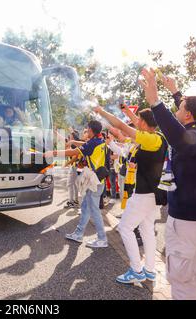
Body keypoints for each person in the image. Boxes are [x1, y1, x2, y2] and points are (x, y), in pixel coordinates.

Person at [141, 69, 196, 300]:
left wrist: (156, 102)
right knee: (191, 275)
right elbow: (188, 117)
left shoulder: (193, 140)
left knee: (180, 280)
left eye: (180, 107)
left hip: (190, 224)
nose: (178, 109)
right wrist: (176, 92)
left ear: (187, 116)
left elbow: (177, 134)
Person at [94, 104, 167, 284]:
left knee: (125, 228)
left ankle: (136, 270)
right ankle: (149, 270)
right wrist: (112, 141)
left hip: (144, 194)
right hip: (150, 193)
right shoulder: (152, 138)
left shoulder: (153, 139)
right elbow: (126, 148)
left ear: (143, 123)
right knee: (147, 230)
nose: (135, 123)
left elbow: (121, 126)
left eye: (138, 120)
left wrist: (102, 112)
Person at [45, 120, 109, 248]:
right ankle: (79, 234)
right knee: (85, 207)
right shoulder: (100, 141)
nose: (86, 130)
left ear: (90, 130)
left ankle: (102, 239)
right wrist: (74, 142)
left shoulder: (93, 143)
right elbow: (85, 144)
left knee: (94, 210)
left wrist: (53, 153)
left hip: (94, 183)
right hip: (97, 181)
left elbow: (74, 152)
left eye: (87, 129)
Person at [64, 129, 81, 209]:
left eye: (70, 136)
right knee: (74, 185)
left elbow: (75, 157)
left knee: (70, 184)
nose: (69, 137)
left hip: (74, 166)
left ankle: (71, 202)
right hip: (76, 166)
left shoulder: (74, 145)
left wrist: (67, 163)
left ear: (73, 137)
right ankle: (75, 200)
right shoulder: (76, 144)